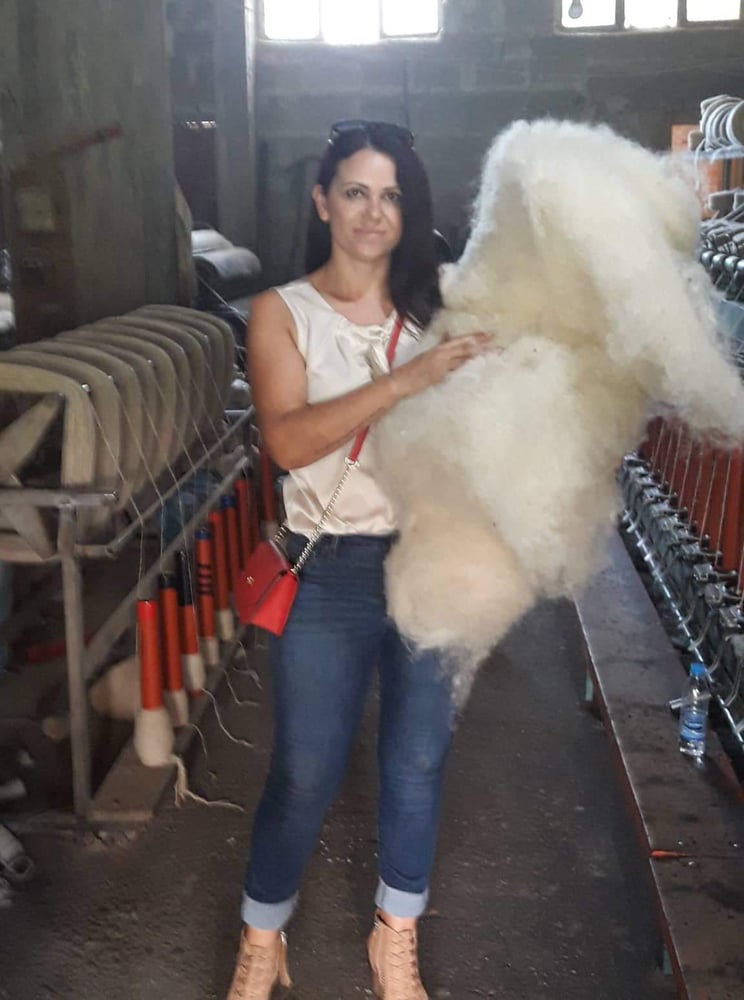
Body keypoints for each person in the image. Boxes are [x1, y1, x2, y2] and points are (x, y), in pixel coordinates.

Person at [228, 119, 491, 1000]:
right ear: (322, 201)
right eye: (355, 191)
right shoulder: (282, 311)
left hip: (429, 560)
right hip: (328, 567)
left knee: (416, 766)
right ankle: (262, 942)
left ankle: (395, 942)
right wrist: (408, 381)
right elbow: (291, 443)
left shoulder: (440, 316)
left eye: (390, 195)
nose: (373, 212)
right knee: (305, 773)